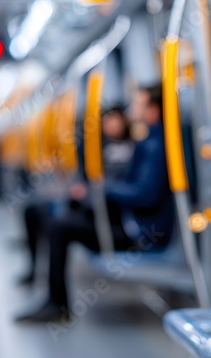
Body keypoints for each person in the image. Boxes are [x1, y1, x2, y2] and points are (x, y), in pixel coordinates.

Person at [16, 86, 174, 322]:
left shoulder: (153, 145)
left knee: (60, 227)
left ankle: (57, 305)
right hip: (127, 219)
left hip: (138, 230)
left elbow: (145, 195)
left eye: (138, 104)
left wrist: (102, 188)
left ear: (152, 109)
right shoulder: (147, 141)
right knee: (58, 217)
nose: (132, 110)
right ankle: (51, 295)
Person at [17, 106, 135, 286]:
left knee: (57, 227)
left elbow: (114, 186)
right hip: (89, 203)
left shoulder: (131, 149)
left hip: (109, 214)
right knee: (34, 211)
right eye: (107, 121)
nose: (110, 125)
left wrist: (93, 189)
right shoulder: (97, 146)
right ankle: (37, 270)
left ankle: (56, 298)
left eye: (115, 120)